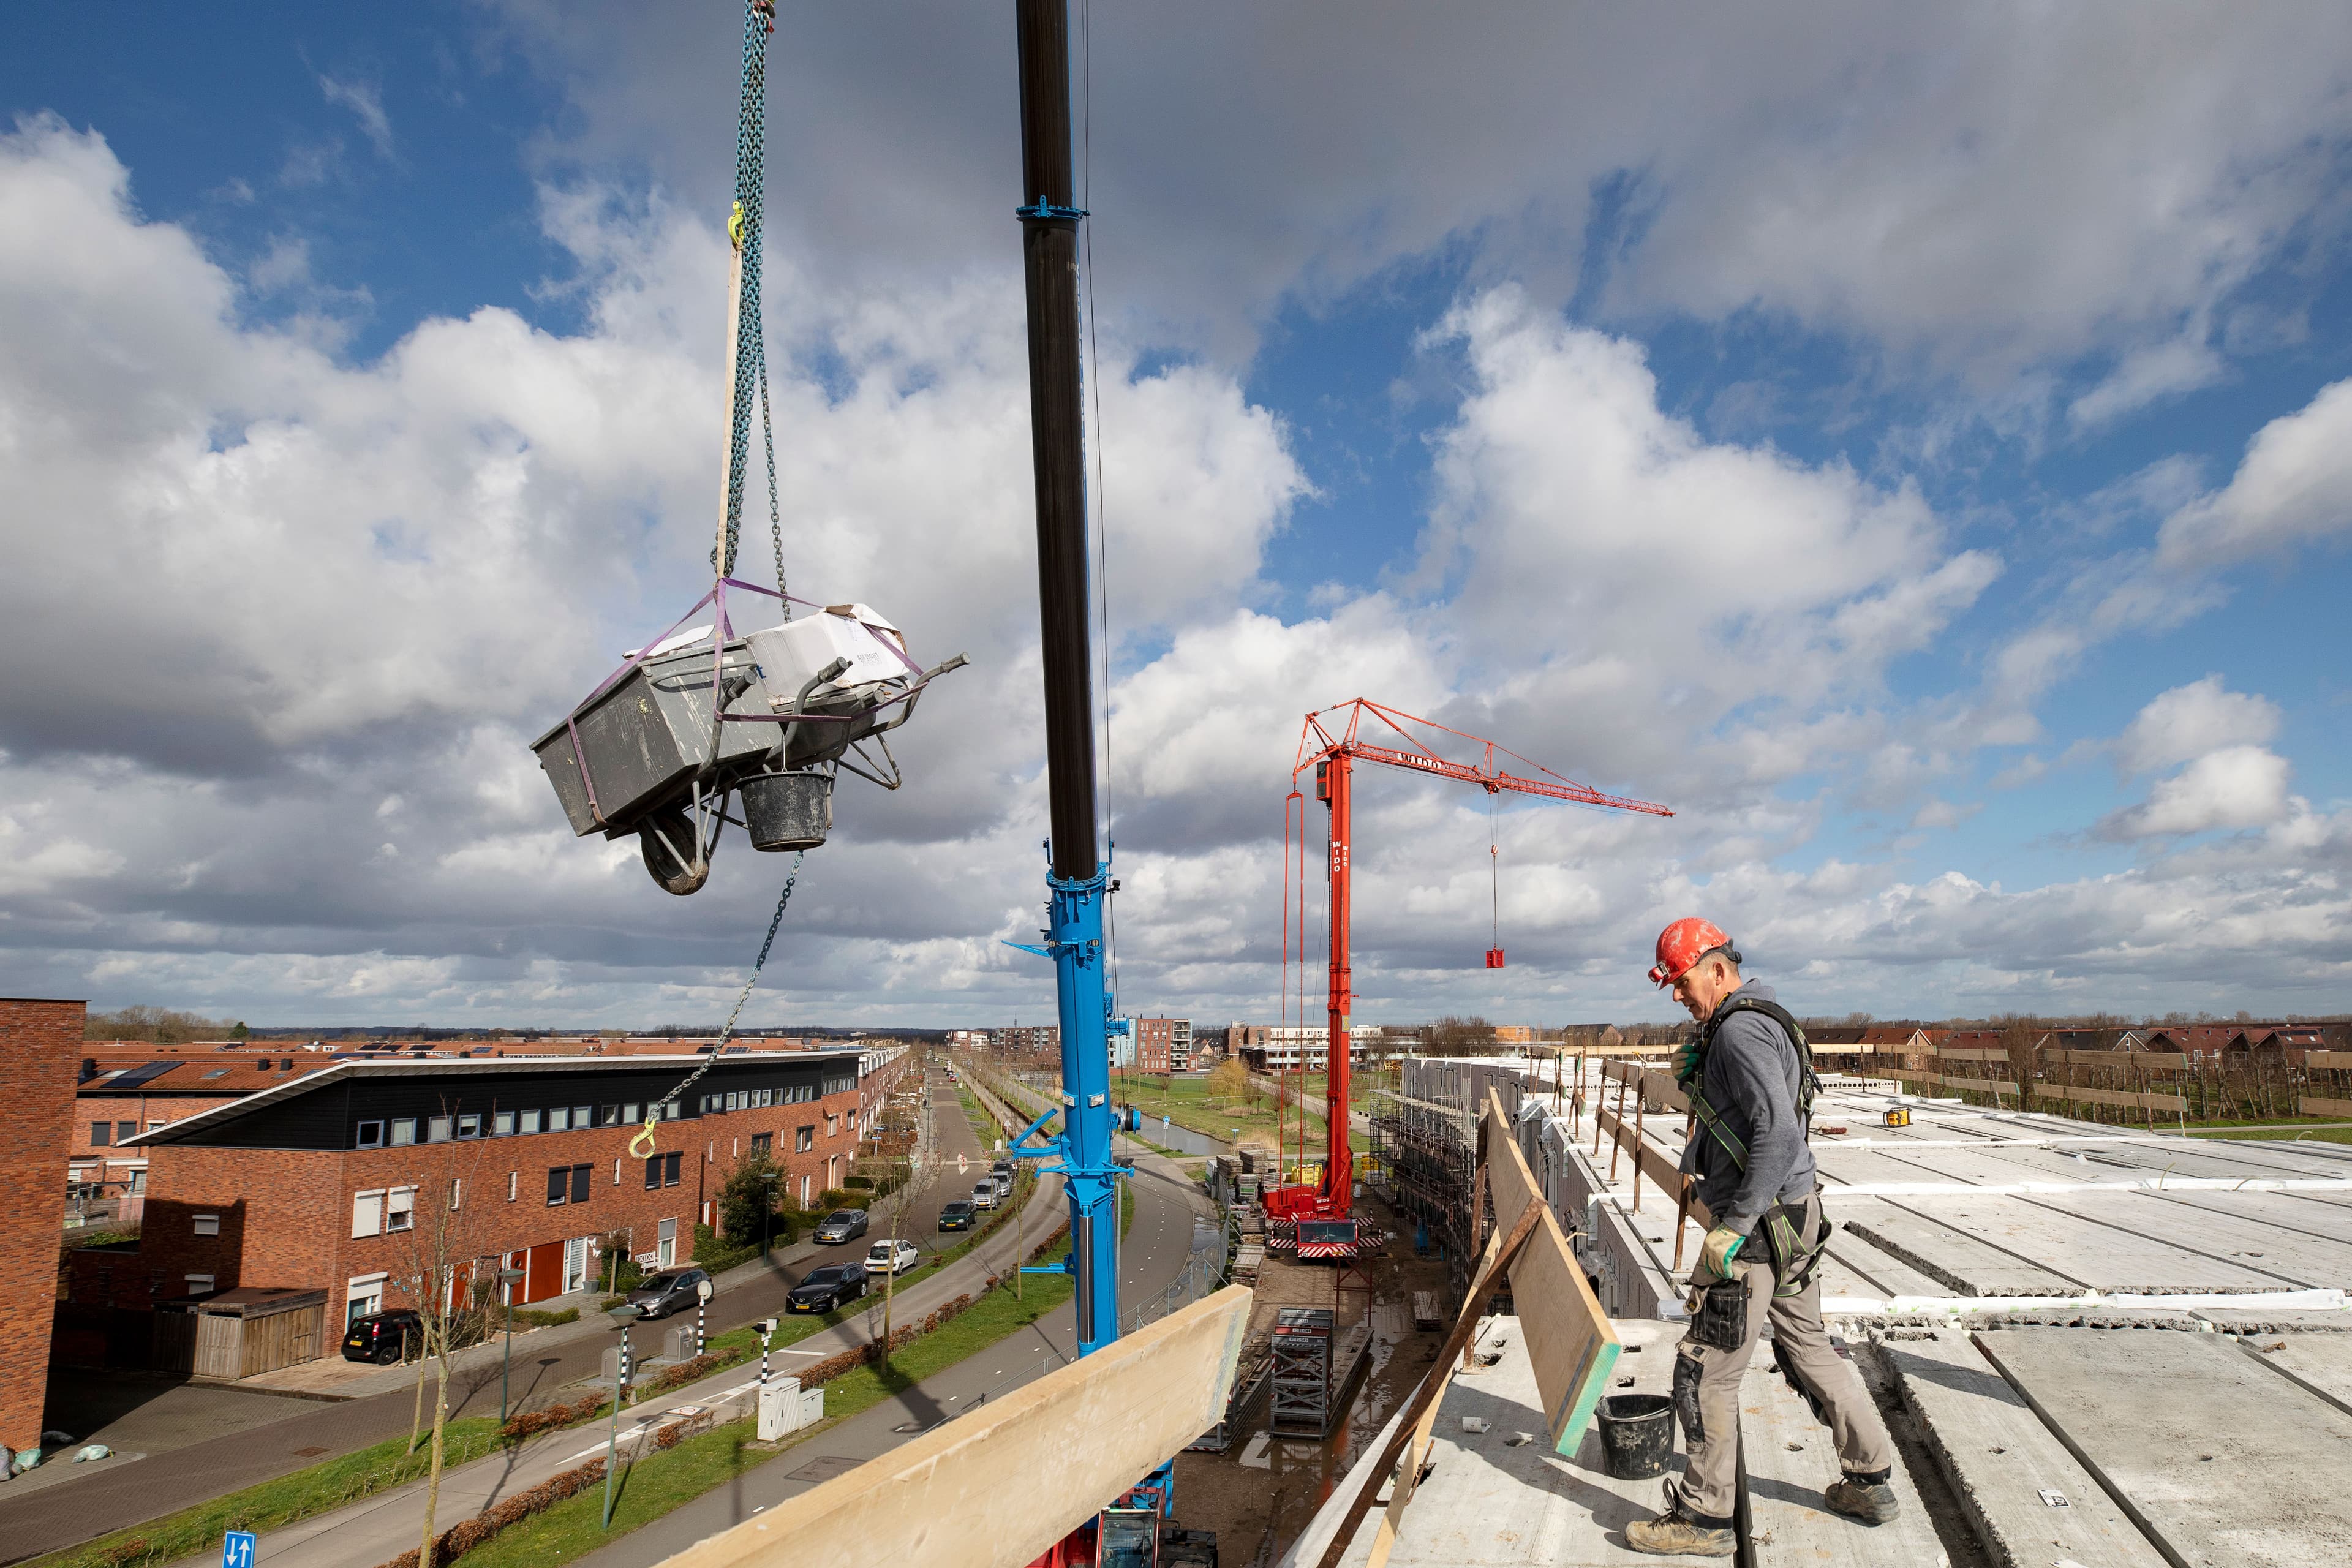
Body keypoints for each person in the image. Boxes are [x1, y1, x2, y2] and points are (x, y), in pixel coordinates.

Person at [1624, 918, 1898, 1558]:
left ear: (1718, 969)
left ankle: (1707, 1516)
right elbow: (1750, 1121)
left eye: (1683, 981)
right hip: (1796, 1216)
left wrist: (1734, 1226)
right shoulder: (1762, 1015)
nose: (1677, 995)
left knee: (1706, 1371)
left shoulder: (1739, 1031)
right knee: (1809, 1347)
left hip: (1758, 1229)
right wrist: (1701, 1090)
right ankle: (1871, 1478)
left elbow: (1778, 1133)